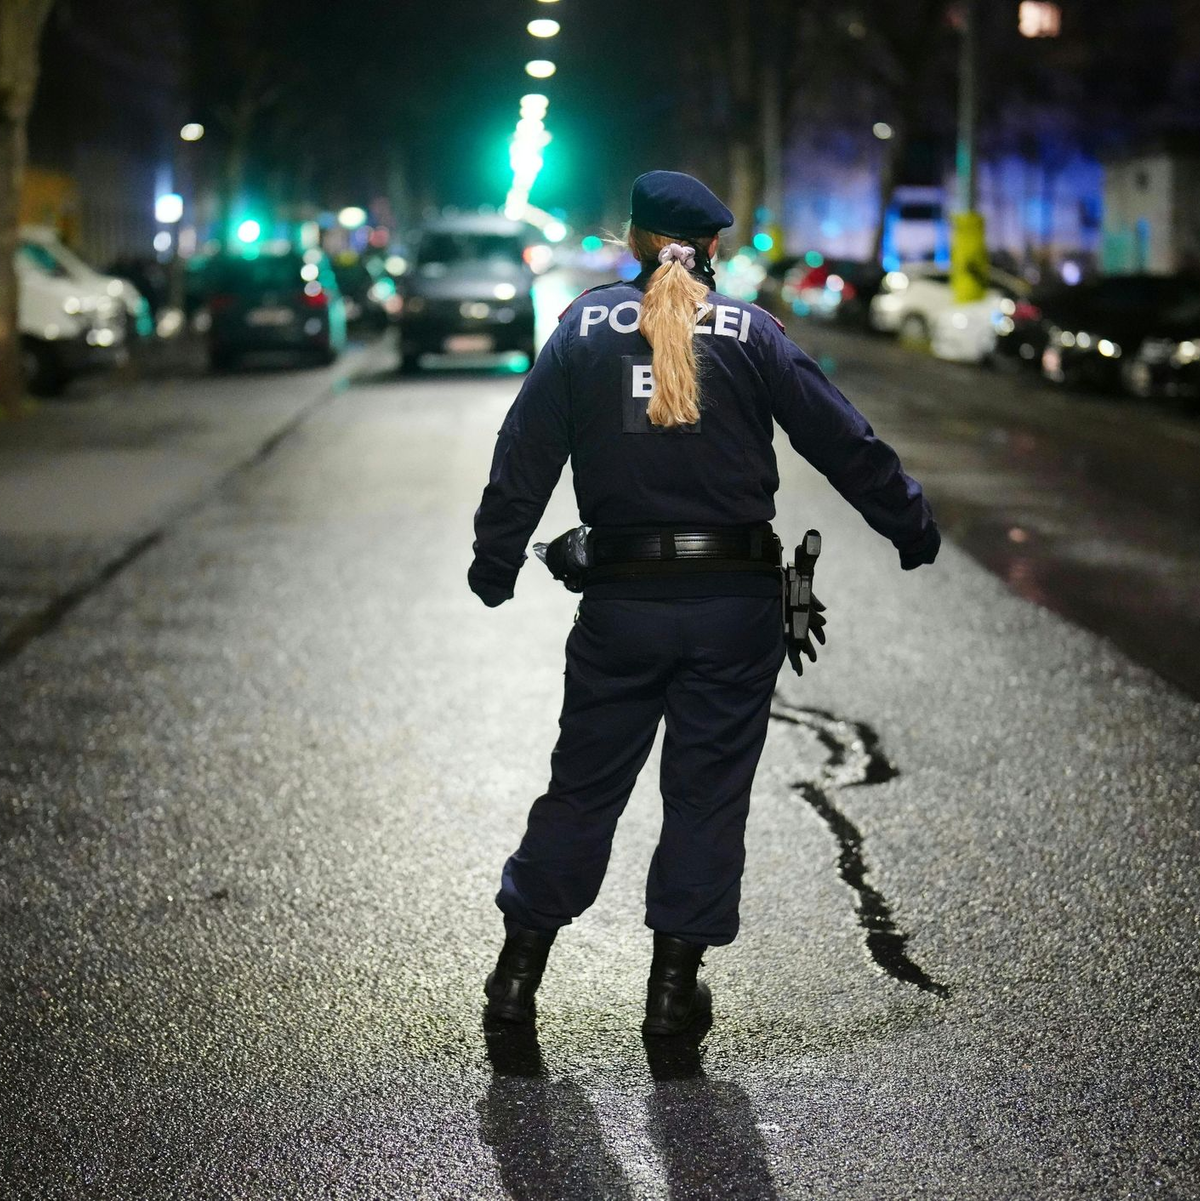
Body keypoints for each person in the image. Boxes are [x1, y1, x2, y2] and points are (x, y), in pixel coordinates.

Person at [469, 170, 939, 1036]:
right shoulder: (754, 333)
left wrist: (496, 561)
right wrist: (908, 523)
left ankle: (515, 981)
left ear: (633, 239)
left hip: (620, 607)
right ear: (712, 246)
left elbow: (523, 451)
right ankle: (672, 996)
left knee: (582, 790)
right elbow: (842, 438)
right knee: (706, 798)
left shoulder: (582, 328)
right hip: (733, 608)